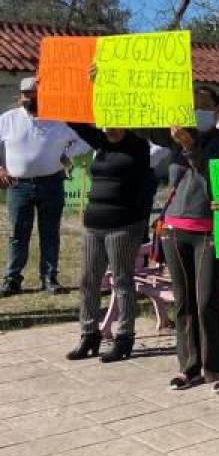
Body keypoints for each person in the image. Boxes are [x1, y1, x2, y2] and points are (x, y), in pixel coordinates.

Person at [163, 107, 219, 393]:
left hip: (209, 230)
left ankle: (217, 369)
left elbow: (214, 178)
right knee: (183, 301)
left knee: (206, 300)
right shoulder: (172, 135)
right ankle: (188, 367)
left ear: (217, 110)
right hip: (174, 229)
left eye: (206, 102)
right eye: (194, 100)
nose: (199, 107)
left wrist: (191, 146)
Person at [66, 120, 156, 363]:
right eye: (106, 126)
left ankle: (124, 338)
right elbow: (76, 123)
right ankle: (89, 334)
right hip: (94, 225)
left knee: (122, 281)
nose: (110, 130)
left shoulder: (138, 147)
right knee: (88, 280)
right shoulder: (101, 143)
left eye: (115, 125)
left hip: (123, 227)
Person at [0, 77, 91, 296]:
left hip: (51, 182)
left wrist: (68, 155)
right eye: (26, 95)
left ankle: (49, 277)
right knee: (18, 234)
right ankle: (12, 279)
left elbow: (86, 140)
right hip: (18, 185)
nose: (30, 99)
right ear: (20, 96)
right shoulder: (8, 119)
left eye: (35, 95)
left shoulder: (59, 120)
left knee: (50, 232)